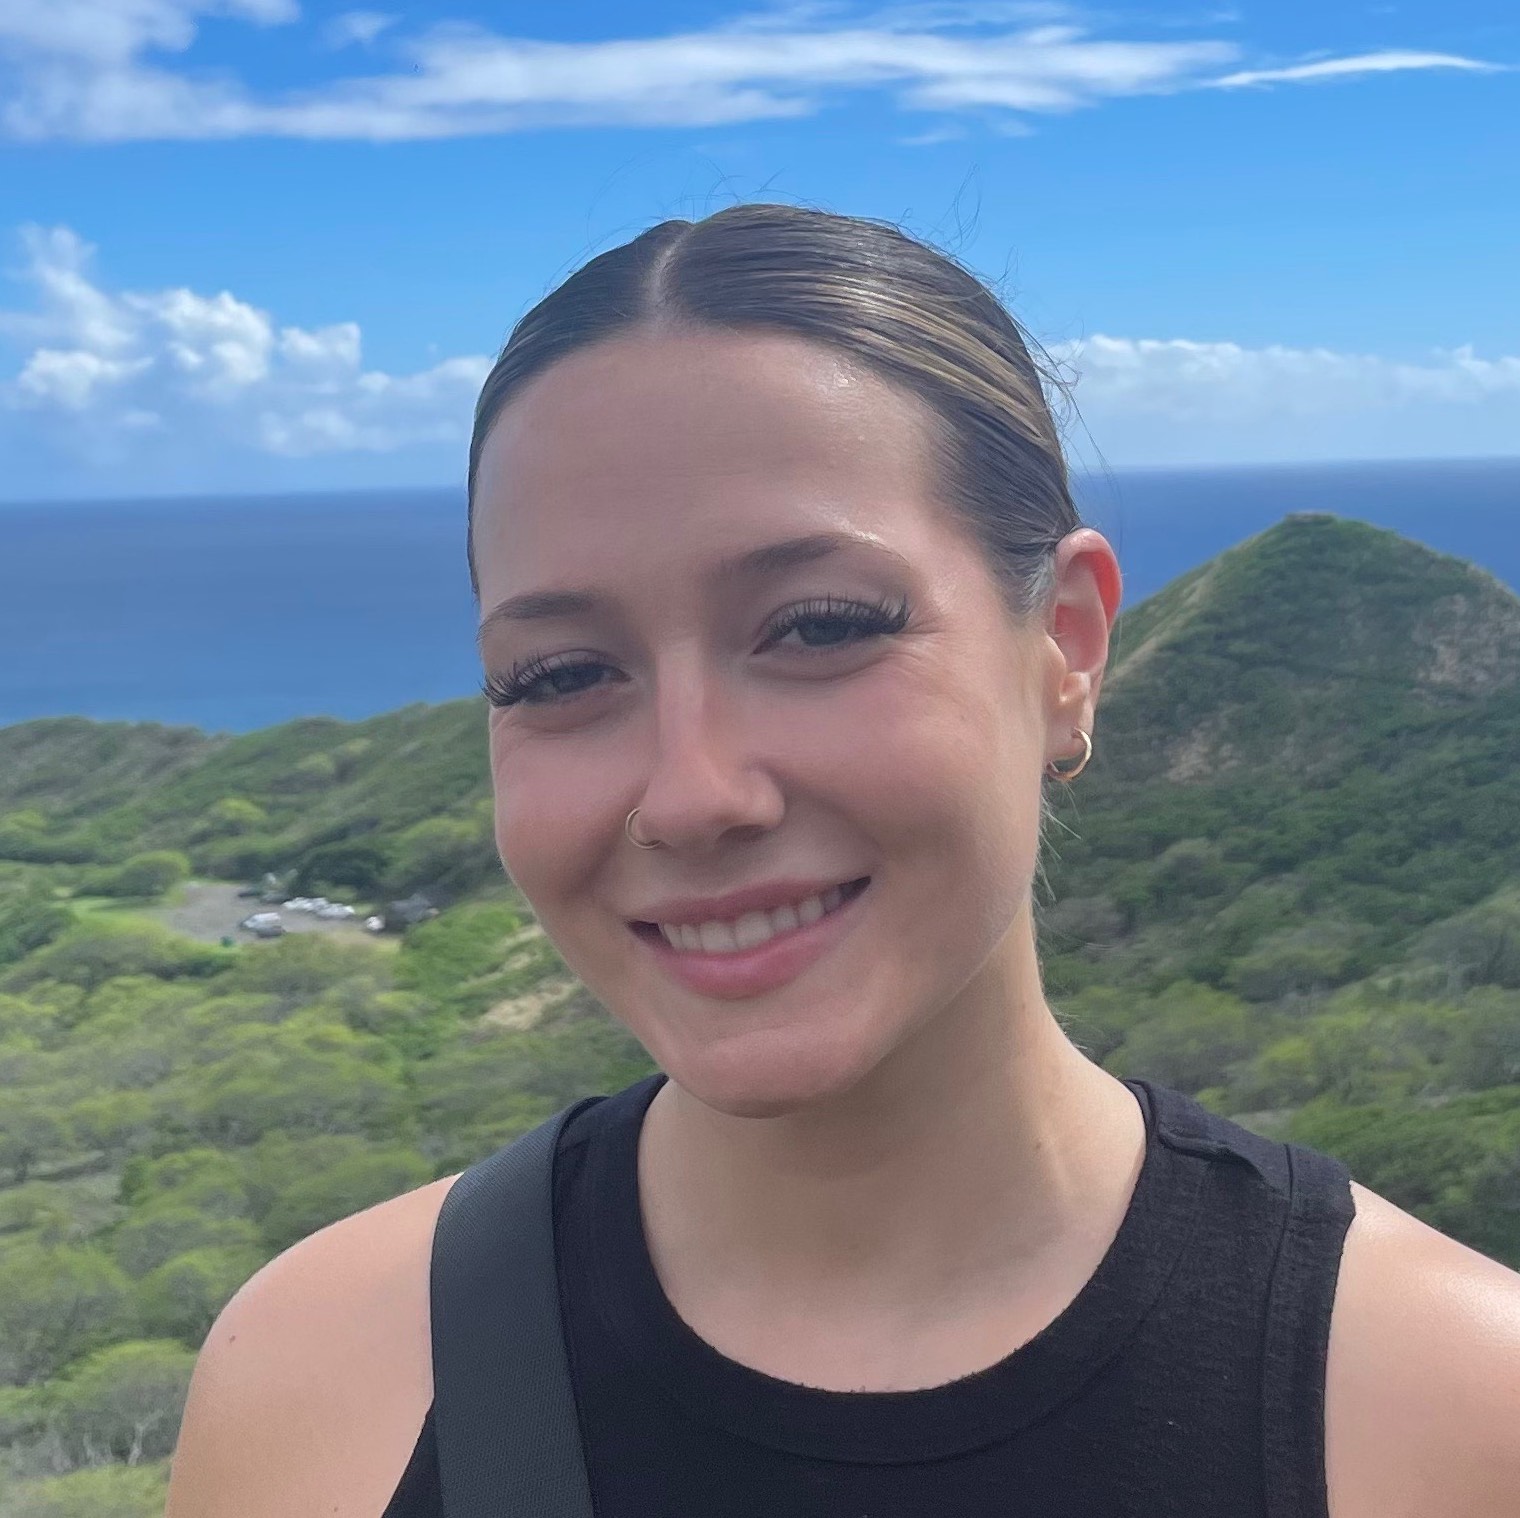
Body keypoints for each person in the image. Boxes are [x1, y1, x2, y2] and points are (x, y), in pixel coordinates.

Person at [165, 204, 1520, 1518]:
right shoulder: (320, 1376)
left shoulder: (1452, 1407)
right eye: (563, 672)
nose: (693, 793)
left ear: (1067, 647)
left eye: (817, 627)